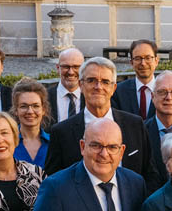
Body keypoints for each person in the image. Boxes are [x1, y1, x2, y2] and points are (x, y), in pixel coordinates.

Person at [44, 57, 163, 196]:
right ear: (81, 85)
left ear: (113, 88)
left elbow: (151, 175)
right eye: (91, 80)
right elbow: (53, 183)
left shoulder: (135, 125)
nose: (98, 87)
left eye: (105, 82)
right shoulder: (62, 132)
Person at [110, 38, 159, 119]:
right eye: (138, 58)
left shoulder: (166, 91)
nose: (143, 63)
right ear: (131, 63)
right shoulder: (119, 92)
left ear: (156, 61)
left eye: (147, 58)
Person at [11, 78, 51, 169]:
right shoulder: (7, 142)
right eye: (24, 106)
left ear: (43, 109)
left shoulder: (54, 143)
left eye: (35, 106)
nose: (30, 111)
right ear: (16, 110)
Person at [47, 47, 85, 122]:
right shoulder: (45, 97)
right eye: (66, 67)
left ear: (83, 69)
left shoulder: (91, 96)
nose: (71, 72)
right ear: (58, 68)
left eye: (76, 67)